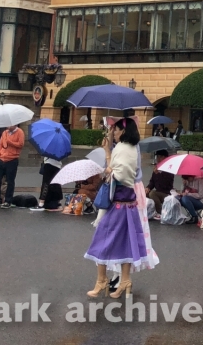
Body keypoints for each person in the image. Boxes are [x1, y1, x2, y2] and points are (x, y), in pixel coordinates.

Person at [83, 117, 158, 299]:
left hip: (118, 202)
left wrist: (108, 168)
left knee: (102, 238)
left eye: (115, 130)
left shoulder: (123, 149)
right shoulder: (130, 147)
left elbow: (121, 174)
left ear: (123, 131)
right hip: (127, 202)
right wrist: (109, 150)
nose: (113, 132)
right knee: (126, 241)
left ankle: (102, 280)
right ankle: (124, 280)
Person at [0, 123, 24, 208]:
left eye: (9, 125)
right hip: (1, 159)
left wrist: (10, 142)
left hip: (12, 159)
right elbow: (0, 144)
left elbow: (20, 144)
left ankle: (8, 200)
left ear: (15, 125)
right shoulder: (4, 132)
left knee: (10, 181)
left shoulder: (20, 132)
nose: (7, 127)